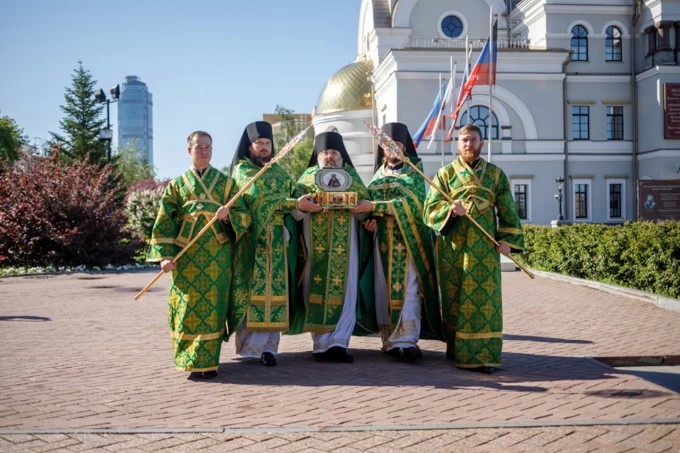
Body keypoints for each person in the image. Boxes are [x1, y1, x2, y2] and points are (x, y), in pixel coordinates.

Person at [422, 124, 524, 374]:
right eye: (464, 140)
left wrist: (507, 241)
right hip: (453, 248)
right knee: (455, 298)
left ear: (482, 144)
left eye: (473, 140)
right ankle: (457, 349)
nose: (468, 144)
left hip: (485, 250)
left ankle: (485, 355)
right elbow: (429, 210)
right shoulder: (445, 175)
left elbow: (509, 211)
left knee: (484, 301)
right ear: (457, 144)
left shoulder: (496, 175)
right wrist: (450, 212)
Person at [147, 131, 247, 379]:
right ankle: (189, 359)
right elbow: (164, 224)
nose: (204, 152)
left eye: (208, 147)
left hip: (217, 254)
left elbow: (245, 215)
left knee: (214, 306)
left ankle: (209, 362)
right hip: (186, 255)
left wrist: (229, 216)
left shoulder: (226, 184)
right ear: (189, 150)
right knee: (187, 306)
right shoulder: (176, 186)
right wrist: (164, 257)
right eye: (199, 147)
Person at [227, 121, 317, 367]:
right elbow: (258, 201)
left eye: (267, 143)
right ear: (250, 146)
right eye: (259, 144)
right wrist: (292, 203)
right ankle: (250, 347)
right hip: (251, 241)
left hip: (278, 240)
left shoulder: (279, 172)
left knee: (277, 292)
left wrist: (308, 199)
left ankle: (269, 348)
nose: (264, 148)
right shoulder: (243, 172)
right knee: (253, 293)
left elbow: (296, 199)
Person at [290, 131, 373, 363]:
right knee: (314, 291)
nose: (329, 156)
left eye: (334, 152)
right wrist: (303, 206)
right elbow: (293, 211)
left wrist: (362, 210)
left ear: (341, 154)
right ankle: (320, 343)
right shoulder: (306, 178)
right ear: (317, 154)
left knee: (346, 291)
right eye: (325, 152)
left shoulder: (352, 177)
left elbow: (366, 209)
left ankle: (339, 343)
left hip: (346, 247)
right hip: (313, 247)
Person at [363, 122, 443, 363]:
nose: (392, 149)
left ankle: (407, 341)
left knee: (409, 289)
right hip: (381, 241)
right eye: (387, 145)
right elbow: (368, 205)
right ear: (381, 148)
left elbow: (413, 205)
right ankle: (389, 340)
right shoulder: (377, 175)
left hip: (408, 240)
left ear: (405, 147)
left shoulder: (414, 173)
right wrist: (370, 220)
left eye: (397, 144)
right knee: (383, 289)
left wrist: (376, 207)